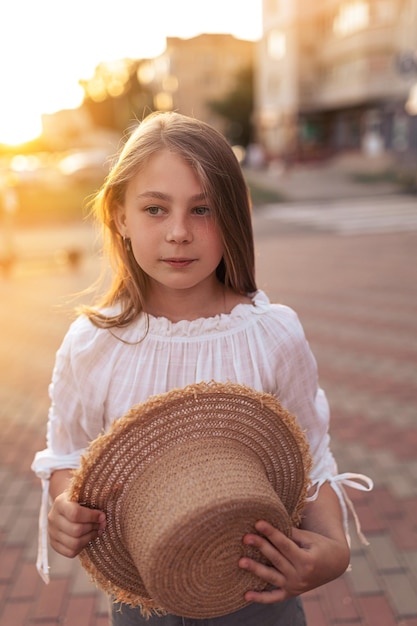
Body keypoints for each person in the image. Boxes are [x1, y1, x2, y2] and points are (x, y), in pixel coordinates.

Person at [32, 111, 372, 626]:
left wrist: (334, 546)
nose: (178, 233)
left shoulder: (270, 334)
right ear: (119, 216)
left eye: (203, 209)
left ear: (233, 216)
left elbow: (311, 456)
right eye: (154, 209)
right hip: (142, 596)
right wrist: (64, 510)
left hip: (260, 594)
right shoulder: (93, 344)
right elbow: (68, 454)